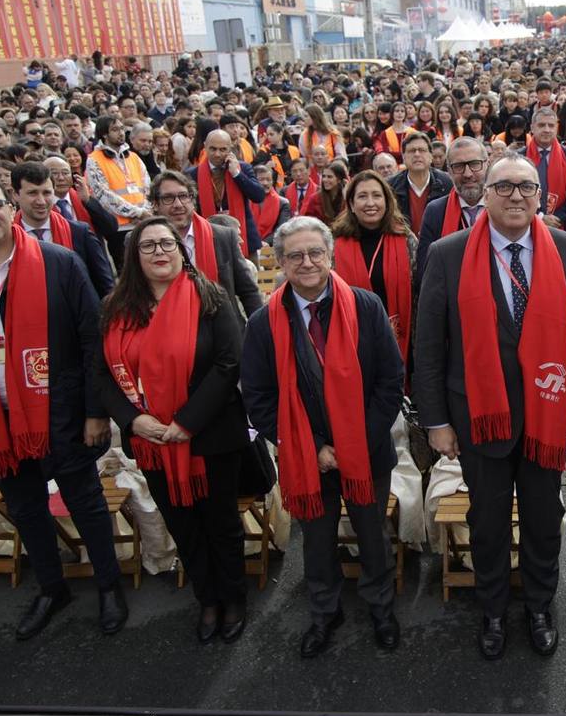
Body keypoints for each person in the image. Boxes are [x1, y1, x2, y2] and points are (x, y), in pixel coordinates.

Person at [0, 172, 127, 640]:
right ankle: (52, 589)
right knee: (27, 507)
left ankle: (109, 585)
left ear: (12, 207)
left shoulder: (59, 263)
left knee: (85, 502)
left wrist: (96, 411)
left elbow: (93, 339)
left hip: (62, 412)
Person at [414, 154, 566, 660]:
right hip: (476, 416)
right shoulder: (448, 254)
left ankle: (540, 606)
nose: (516, 196)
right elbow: (429, 345)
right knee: (488, 522)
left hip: (545, 415)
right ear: (485, 194)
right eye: (505, 187)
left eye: (527, 187)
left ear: (542, 197)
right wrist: (435, 420)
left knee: (543, 518)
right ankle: (493, 609)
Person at [243, 216, 405, 656]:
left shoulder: (366, 307)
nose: (307, 262)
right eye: (295, 255)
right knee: (315, 540)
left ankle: (381, 607)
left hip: (367, 451)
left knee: (372, 534)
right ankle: (323, 612)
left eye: (315, 252)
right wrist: (314, 447)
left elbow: (390, 383)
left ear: (330, 255)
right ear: (279, 263)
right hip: (305, 455)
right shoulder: (263, 323)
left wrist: (357, 443)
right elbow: (258, 396)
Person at [97, 217, 250, 644]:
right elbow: (103, 376)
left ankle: (234, 598)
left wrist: (186, 423)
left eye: (167, 243)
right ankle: (207, 599)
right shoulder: (116, 309)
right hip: (151, 441)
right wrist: (133, 420)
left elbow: (228, 363)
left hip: (210, 436)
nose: (160, 252)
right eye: (149, 246)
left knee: (221, 523)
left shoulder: (209, 297)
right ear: (134, 257)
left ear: (181, 251)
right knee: (182, 525)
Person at [146, 171, 262, 323]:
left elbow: (248, 292)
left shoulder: (223, 237)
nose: (178, 204)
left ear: (192, 200)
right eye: (168, 198)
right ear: (155, 204)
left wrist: (260, 335)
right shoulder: (141, 241)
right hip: (167, 326)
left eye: (183, 196)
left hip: (222, 330)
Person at [332, 172, 417, 365]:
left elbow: (419, 292)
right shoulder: (334, 246)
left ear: (387, 201)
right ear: (351, 204)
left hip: (403, 340)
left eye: (377, 195)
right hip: (352, 341)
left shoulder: (407, 240)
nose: (370, 203)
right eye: (362, 196)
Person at [9, 162, 113, 297]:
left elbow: (105, 287)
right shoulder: (6, 239)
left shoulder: (79, 233)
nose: (41, 201)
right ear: (15, 194)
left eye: (46, 193)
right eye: (32, 193)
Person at [416, 137, 488, 286]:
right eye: (459, 166)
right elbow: (426, 272)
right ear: (448, 171)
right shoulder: (435, 212)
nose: (468, 174)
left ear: (487, 164)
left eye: (475, 164)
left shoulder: (502, 207)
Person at [186, 129, 265, 258]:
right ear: (205, 146)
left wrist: (237, 174)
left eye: (223, 150)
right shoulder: (192, 174)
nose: (217, 154)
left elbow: (258, 196)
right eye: (213, 149)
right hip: (208, 238)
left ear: (230, 148)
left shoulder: (242, 168)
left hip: (243, 238)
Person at [85, 115, 152, 263]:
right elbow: (103, 195)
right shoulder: (94, 159)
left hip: (142, 223)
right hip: (119, 227)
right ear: (104, 134)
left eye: (122, 129)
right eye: (115, 130)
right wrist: (138, 212)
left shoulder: (134, 157)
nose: (121, 133)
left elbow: (147, 187)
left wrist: (146, 211)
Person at [525, 107, 566, 238]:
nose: (547, 129)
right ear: (532, 127)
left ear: (556, 128)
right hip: (527, 225)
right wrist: (540, 217)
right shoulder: (520, 157)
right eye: (541, 125)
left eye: (551, 125)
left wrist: (556, 217)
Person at [388, 131, 451, 231]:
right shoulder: (390, 187)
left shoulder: (448, 183)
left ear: (431, 156)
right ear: (403, 157)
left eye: (422, 150)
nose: (417, 154)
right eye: (412, 151)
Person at [250, 161, 290, 242]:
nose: (265, 183)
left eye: (268, 180)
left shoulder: (283, 203)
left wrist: (264, 243)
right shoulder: (245, 200)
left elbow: (281, 230)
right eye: (261, 179)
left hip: (270, 247)